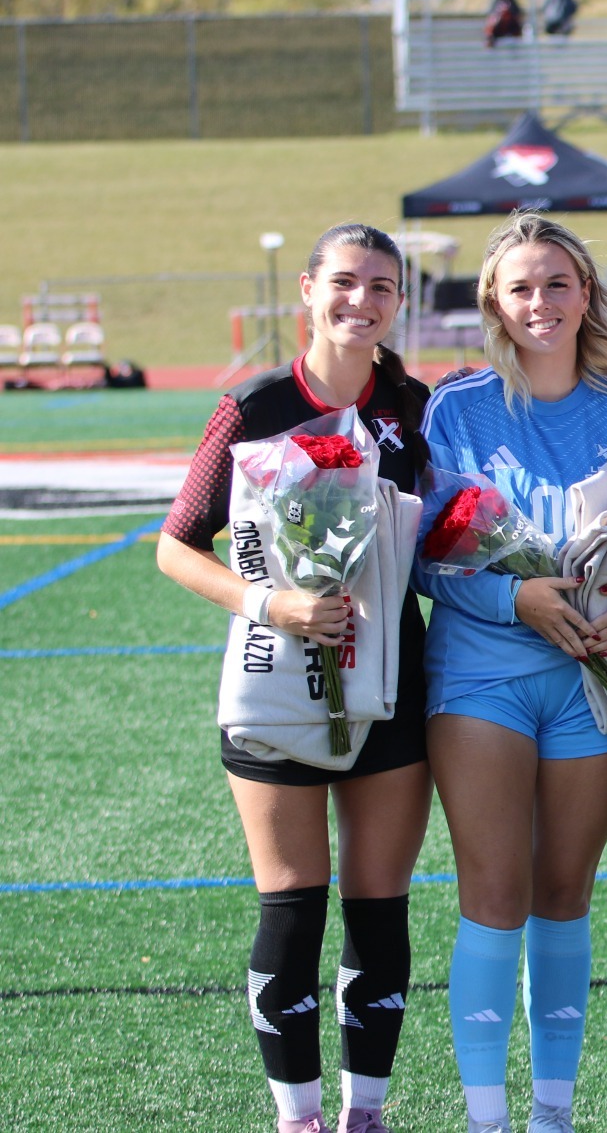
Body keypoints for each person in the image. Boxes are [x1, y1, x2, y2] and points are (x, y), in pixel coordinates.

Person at [156, 223, 433, 1133]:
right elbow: (174, 549)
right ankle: (298, 1117)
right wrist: (272, 604)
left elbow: (438, 540)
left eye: (382, 287)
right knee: (291, 902)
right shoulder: (256, 405)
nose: (362, 301)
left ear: (400, 301)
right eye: (345, 282)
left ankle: (366, 1113)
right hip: (273, 679)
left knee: (378, 906)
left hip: (387, 688)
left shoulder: (414, 405)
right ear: (309, 289)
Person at [420, 213, 607, 1133]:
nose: (541, 303)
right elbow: (425, 558)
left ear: (585, 293)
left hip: (590, 685)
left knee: (564, 892)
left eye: (557, 284)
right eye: (521, 287)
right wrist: (513, 601)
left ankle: (552, 1115)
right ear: (494, 300)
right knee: (493, 894)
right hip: (481, 677)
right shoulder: (456, 408)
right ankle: (488, 1118)